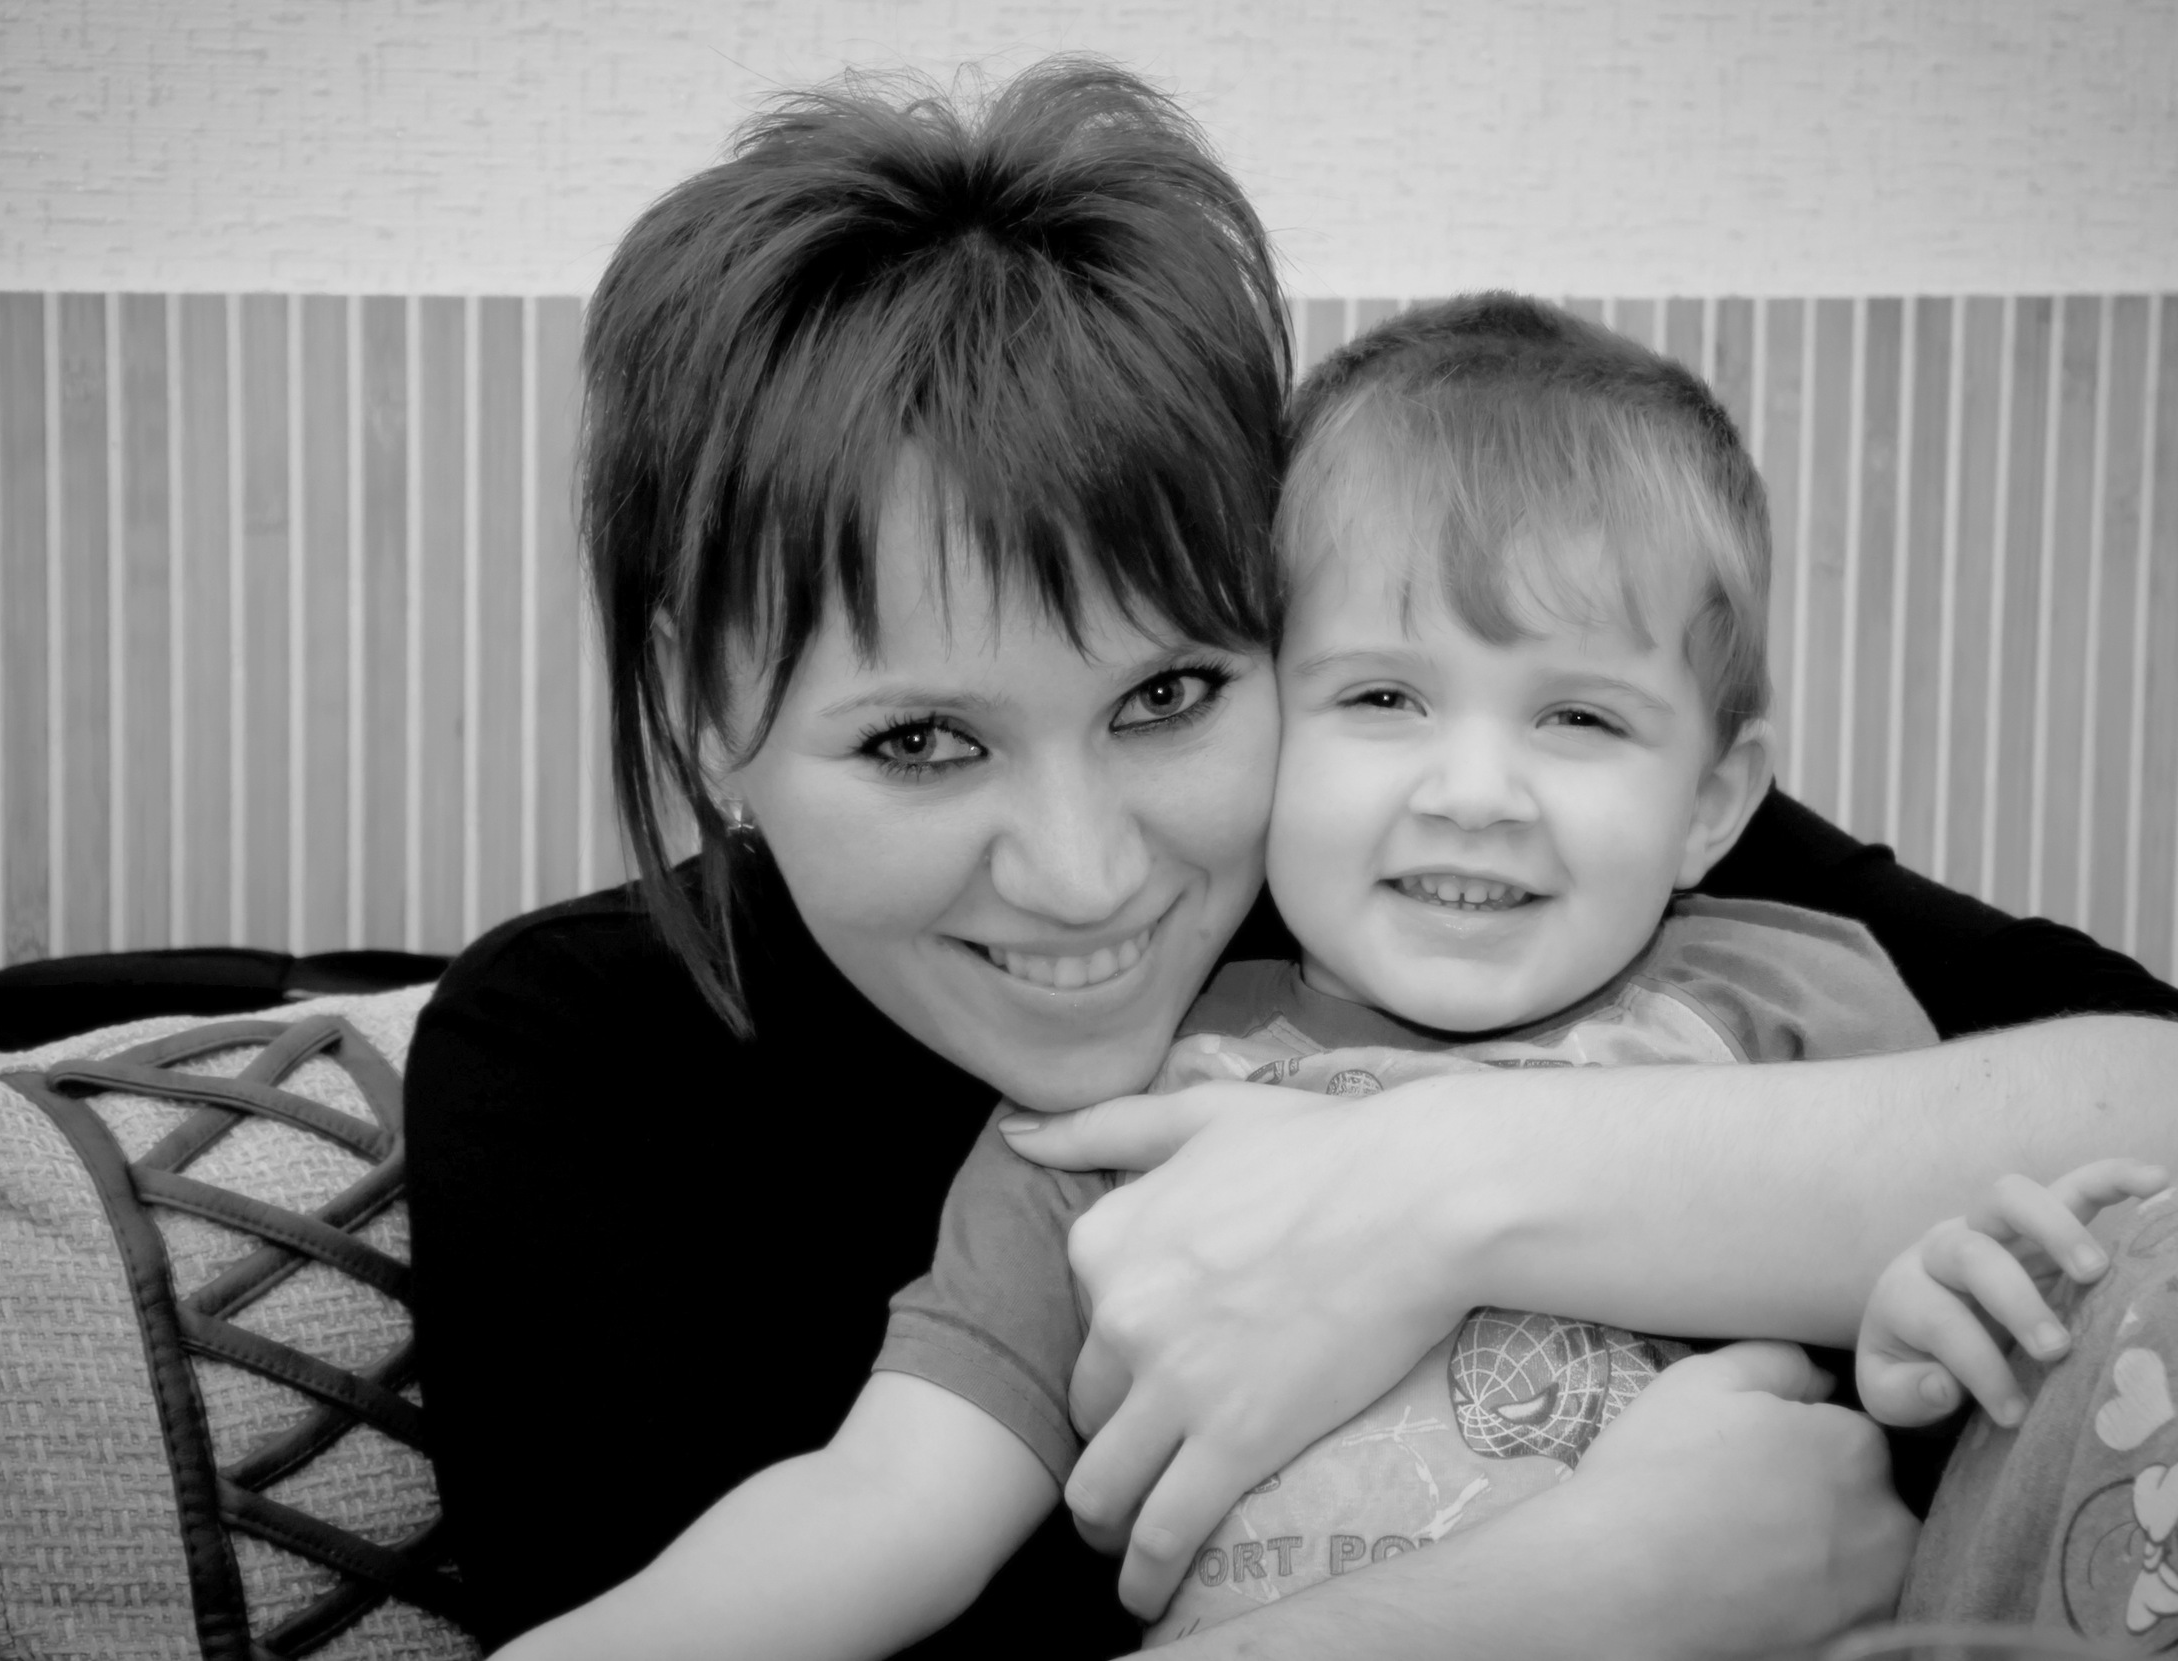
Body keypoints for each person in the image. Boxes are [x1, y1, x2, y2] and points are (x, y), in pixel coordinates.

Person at [403, 58, 2178, 1661]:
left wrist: (1438, 1187)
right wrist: (1578, 1597)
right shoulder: (593, 1069)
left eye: (1170, 694)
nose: (1085, 872)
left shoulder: (1482, 862)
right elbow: (854, 1527)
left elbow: (2134, 1107)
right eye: (923, 740)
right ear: (705, 706)